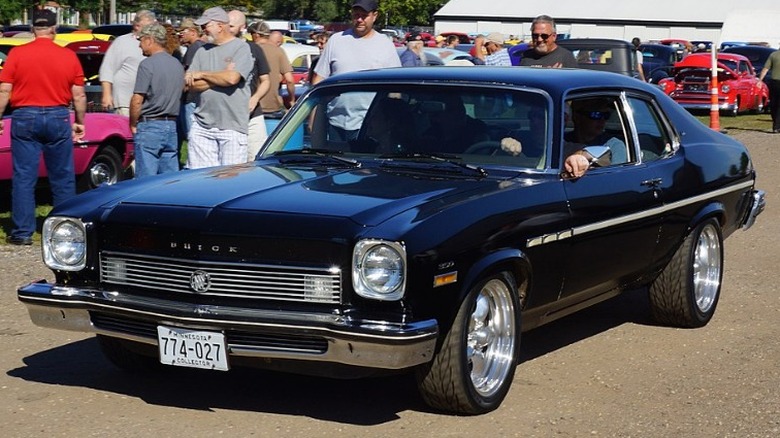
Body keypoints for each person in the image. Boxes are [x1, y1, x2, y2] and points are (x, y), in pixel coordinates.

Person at [0, 9, 86, 245]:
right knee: (63, 177)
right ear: (54, 29)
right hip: (58, 115)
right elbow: (79, 95)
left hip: (24, 116)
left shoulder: (17, 54)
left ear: (32, 29)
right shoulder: (68, 56)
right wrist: (80, 121)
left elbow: (5, 90)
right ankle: (65, 232)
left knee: (23, 177)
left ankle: (22, 232)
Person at [312, 0, 401, 142]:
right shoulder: (336, 40)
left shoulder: (385, 45)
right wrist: (313, 117)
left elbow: (395, 90)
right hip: (335, 123)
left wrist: (388, 123)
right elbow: (319, 80)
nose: (359, 20)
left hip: (370, 127)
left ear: (374, 16)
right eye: (356, 15)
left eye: (364, 15)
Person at [185, 7, 255, 169]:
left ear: (220, 26)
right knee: (201, 178)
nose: (203, 29)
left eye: (206, 25)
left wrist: (202, 74)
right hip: (202, 124)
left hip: (232, 126)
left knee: (230, 179)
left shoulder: (241, 48)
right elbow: (190, 84)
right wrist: (221, 76)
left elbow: (232, 79)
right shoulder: (202, 51)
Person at [129, 23, 184, 178]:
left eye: (141, 40)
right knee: (170, 179)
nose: (140, 45)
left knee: (146, 179)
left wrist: (133, 123)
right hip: (171, 125)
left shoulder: (147, 64)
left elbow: (137, 99)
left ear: (150, 40)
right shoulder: (177, 64)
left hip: (150, 124)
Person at [248, 20, 295, 160]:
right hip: (273, 108)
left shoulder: (248, 50)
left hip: (252, 108)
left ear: (256, 35)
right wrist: (291, 100)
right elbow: (290, 79)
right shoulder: (278, 51)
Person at [227, 11, 271, 162]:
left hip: (253, 115)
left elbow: (265, 80)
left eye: (231, 26)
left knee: (257, 160)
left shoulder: (254, 49)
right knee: (232, 164)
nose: (227, 29)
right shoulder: (217, 49)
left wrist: (255, 98)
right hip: (228, 116)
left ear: (242, 27)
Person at [99, 10, 156, 116]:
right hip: (125, 102)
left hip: (148, 103)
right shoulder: (121, 42)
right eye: (148, 27)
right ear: (137, 26)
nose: (151, 30)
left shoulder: (154, 43)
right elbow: (107, 69)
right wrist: (107, 95)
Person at [563, 97, 627, 177]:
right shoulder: (563, 141)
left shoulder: (614, 145)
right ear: (577, 117)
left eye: (606, 115)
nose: (602, 120)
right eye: (596, 115)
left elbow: (615, 177)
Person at [176, 17, 205, 156]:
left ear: (193, 32)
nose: (180, 34)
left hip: (190, 99)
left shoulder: (194, 48)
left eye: (183, 31)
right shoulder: (200, 46)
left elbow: (188, 75)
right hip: (195, 98)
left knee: (192, 137)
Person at [758, 48, 780, 133]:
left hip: (774, 82)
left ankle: (776, 124)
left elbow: (765, 69)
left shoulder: (773, 55)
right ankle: (777, 125)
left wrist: (760, 80)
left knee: (774, 103)